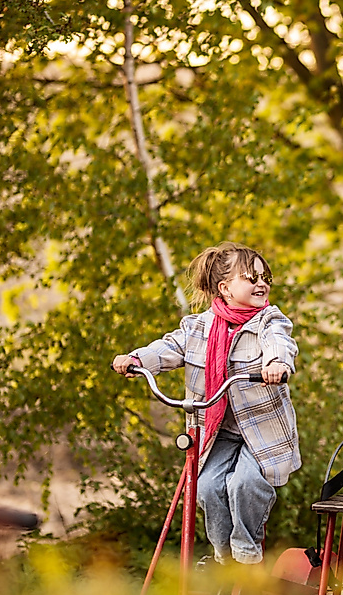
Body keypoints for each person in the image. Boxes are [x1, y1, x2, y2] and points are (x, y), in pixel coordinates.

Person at [112, 241, 300, 567]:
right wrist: (137, 359)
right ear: (225, 288)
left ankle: (246, 553)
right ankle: (224, 563)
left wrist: (277, 364)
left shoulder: (269, 320)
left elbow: (280, 343)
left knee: (245, 483)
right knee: (206, 487)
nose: (261, 284)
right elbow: (170, 347)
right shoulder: (199, 326)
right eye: (251, 278)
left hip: (260, 430)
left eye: (264, 277)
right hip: (218, 429)